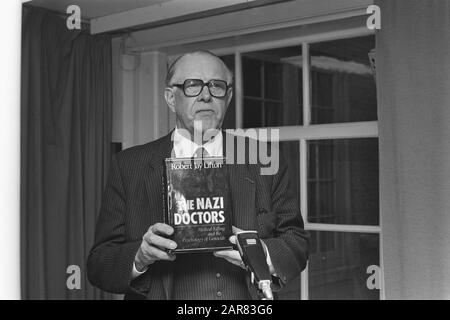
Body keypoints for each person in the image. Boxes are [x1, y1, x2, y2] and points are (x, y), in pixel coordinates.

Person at [87, 50, 309, 300]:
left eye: (216, 86)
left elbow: (296, 242)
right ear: (171, 98)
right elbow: (98, 265)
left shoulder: (264, 159)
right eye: (193, 85)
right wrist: (140, 255)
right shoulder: (129, 165)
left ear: (229, 96)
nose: (206, 95)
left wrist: (261, 254)